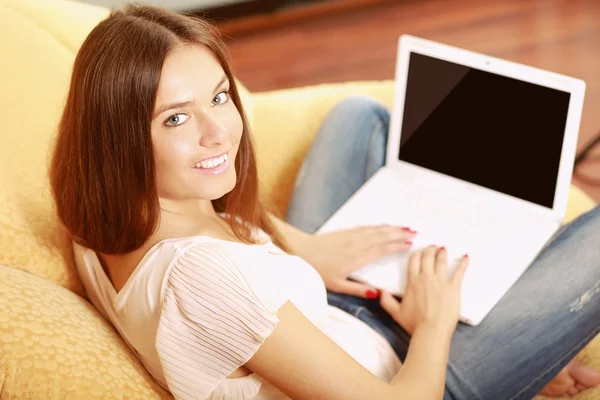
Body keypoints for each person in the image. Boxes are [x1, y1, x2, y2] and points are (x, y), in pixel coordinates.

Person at [48, 4, 600, 399]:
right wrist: (435, 327)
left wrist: (306, 249)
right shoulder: (207, 281)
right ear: (118, 137)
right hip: (407, 376)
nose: (219, 132)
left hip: (323, 323)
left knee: (358, 115)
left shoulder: (101, 221)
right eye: (176, 117)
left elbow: (238, 274)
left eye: (218, 96)